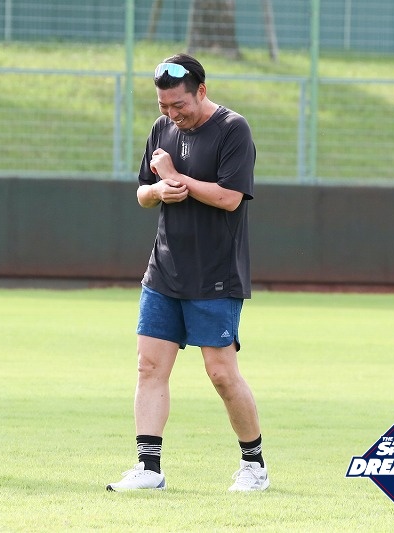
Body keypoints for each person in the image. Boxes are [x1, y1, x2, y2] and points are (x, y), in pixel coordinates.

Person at [106, 54, 268, 492]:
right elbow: (143, 193)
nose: (172, 114)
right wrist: (159, 188)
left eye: (179, 104)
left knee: (221, 373)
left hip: (216, 274)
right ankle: (149, 468)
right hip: (164, 271)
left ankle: (254, 466)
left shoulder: (233, 129)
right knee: (149, 367)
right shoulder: (162, 128)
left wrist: (176, 177)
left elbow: (230, 198)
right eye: (164, 106)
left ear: (201, 91)